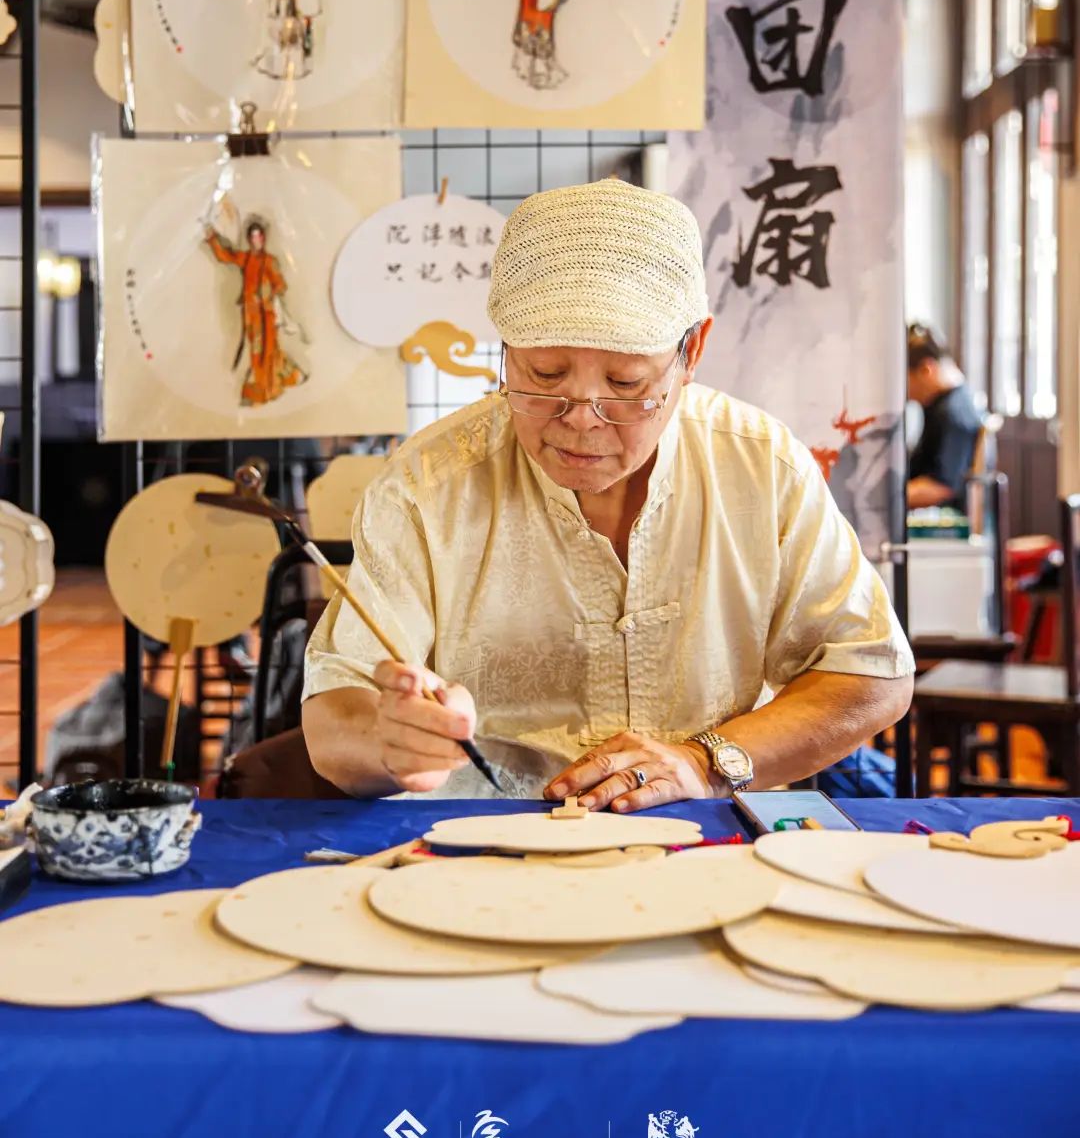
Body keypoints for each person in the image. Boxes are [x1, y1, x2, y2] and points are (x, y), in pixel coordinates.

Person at [303, 180, 913, 808]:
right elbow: (333, 717)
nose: (581, 419)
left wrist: (705, 761)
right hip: (487, 836)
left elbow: (872, 672)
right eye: (544, 375)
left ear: (692, 351)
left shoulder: (761, 465)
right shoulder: (427, 485)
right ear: (506, 351)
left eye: (625, 383)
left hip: (710, 835)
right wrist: (388, 739)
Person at [204, 214, 308, 408]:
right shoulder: (245, 258)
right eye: (252, 237)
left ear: (263, 238)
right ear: (249, 239)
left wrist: (269, 291)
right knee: (260, 352)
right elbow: (225, 256)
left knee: (266, 352)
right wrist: (211, 238)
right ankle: (290, 377)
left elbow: (280, 285)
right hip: (251, 316)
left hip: (266, 315)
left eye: (259, 236)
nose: (256, 240)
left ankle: (263, 391)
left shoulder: (270, 261)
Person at [906, 323, 983, 511]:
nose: (905, 392)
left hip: (947, 521)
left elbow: (941, 487)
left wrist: (884, 498)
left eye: (906, 379)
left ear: (926, 370)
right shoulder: (939, 404)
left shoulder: (954, 413)